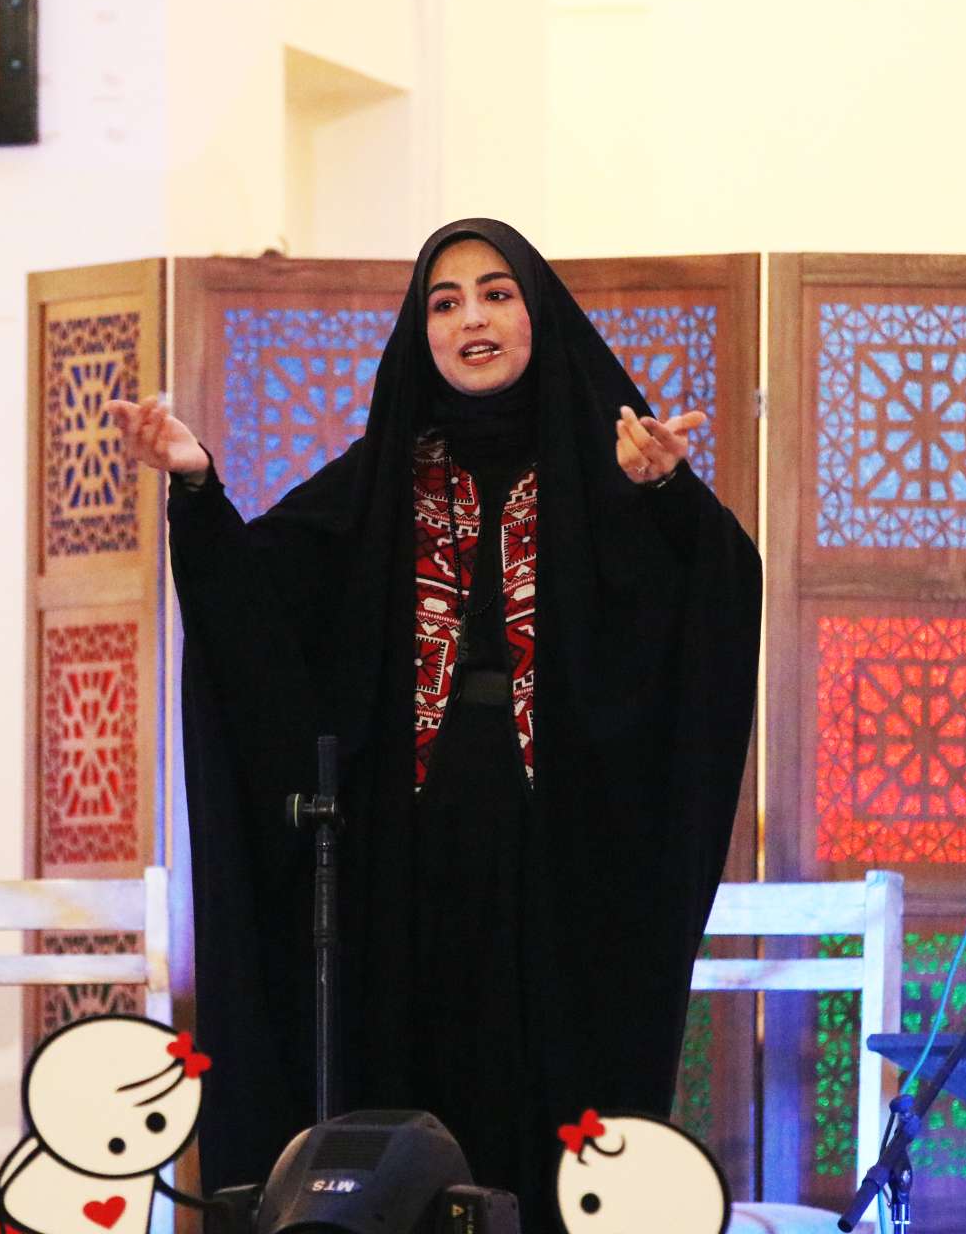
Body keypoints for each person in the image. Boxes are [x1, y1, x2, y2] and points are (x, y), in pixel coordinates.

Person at [105, 218, 760, 1231]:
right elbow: (259, 613)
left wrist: (671, 499)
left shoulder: (614, 469)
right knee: (404, 1094)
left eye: (495, 293)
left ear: (537, 313)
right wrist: (197, 485)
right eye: (444, 302)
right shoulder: (383, 480)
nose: (471, 319)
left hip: (568, 861)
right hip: (403, 860)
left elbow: (711, 608)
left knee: (555, 1105)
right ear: (422, 332)